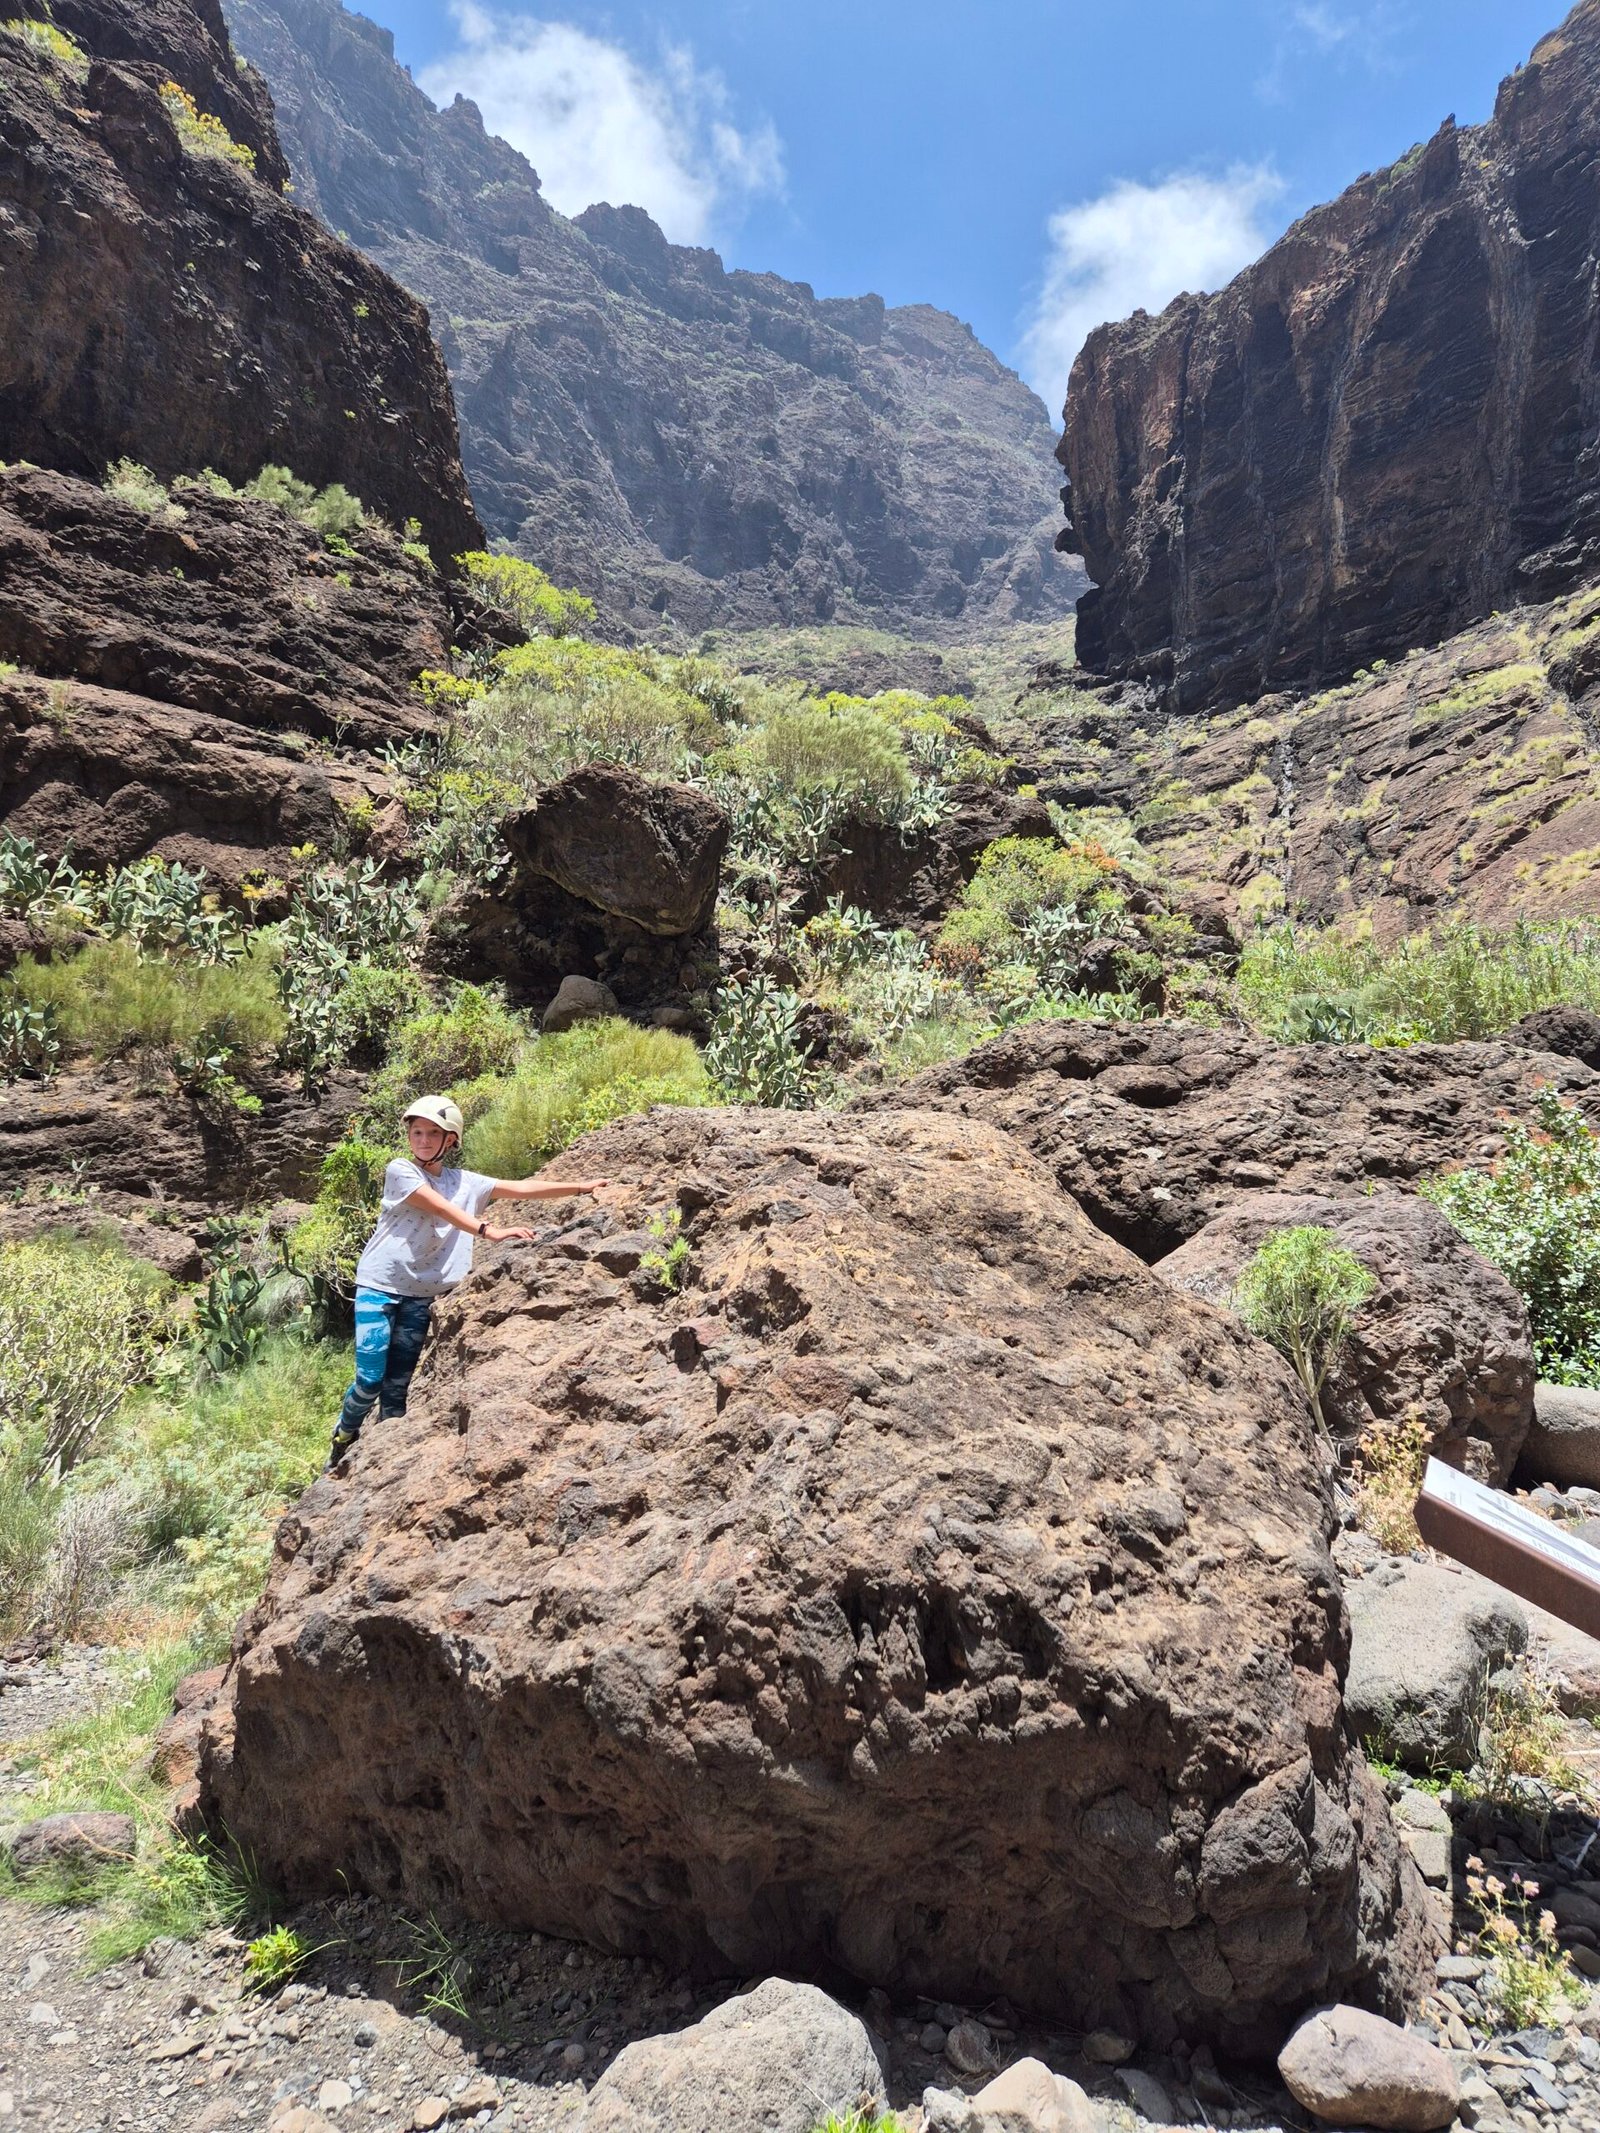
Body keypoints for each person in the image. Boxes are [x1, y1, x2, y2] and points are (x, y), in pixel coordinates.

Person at [327, 1094, 610, 1467]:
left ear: (451, 1140)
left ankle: (381, 1464)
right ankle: (344, 1437)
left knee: (397, 1391)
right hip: (380, 1286)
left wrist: (583, 1187)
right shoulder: (401, 1170)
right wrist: (487, 1229)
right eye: (417, 1132)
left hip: (422, 1296)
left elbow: (522, 1187)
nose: (423, 1140)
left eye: (432, 1133)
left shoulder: (466, 1182)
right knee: (369, 1379)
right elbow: (438, 1206)